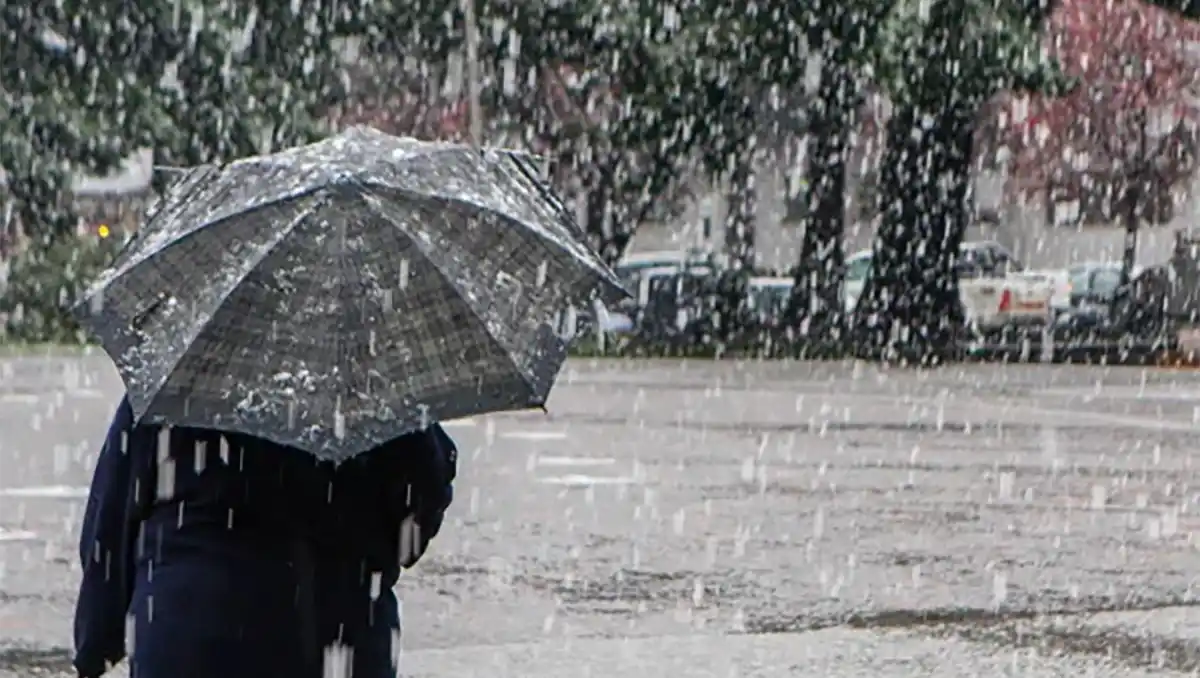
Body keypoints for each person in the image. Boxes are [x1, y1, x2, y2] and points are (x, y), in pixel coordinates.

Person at [73, 397, 457, 678]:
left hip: (191, 634)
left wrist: (96, 643)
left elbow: (112, 522)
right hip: (336, 637)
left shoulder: (180, 385)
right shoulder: (380, 390)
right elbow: (421, 507)